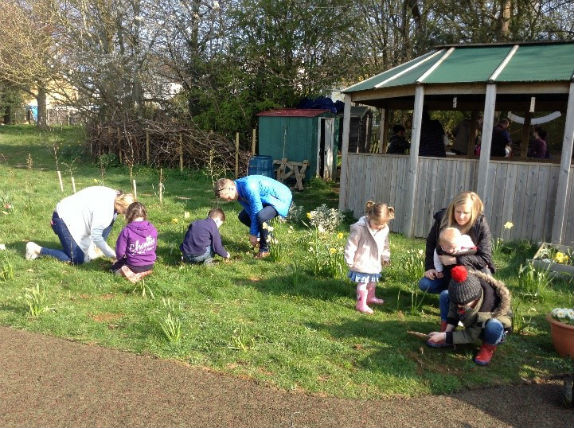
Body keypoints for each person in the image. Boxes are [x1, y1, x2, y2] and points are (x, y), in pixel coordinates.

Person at [418, 191, 495, 331]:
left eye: (465, 213)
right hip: (446, 271)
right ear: (452, 208)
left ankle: (461, 302)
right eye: (457, 211)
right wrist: (430, 267)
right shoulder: (442, 219)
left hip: (472, 273)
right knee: (425, 284)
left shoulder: (480, 224)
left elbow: (484, 258)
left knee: (455, 294)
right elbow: (431, 244)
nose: (460, 216)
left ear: (473, 211)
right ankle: (450, 299)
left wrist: (455, 259)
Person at [426, 265, 512, 366]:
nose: (458, 305)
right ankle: (446, 334)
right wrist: (446, 333)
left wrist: (445, 337)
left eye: (462, 304)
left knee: (493, 325)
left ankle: (488, 348)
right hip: (473, 319)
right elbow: (454, 309)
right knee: (445, 295)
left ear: (475, 298)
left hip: (491, 327)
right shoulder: (461, 290)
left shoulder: (487, 308)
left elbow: (470, 335)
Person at [25, 186, 134, 265]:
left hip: (76, 217)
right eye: (123, 212)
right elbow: (96, 236)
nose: (122, 215)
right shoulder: (105, 211)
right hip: (64, 219)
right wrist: (112, 255)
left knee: (111, 219)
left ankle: (93, 250)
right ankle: (36, 250)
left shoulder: (115, 195)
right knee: (77, 259)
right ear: (120, 205)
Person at [214, 175, 292, 259]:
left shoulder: (248, 187)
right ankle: (269, 239)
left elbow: (256, 211)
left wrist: (253, 234)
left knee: (261, 216)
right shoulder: (237, 191)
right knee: (243, 216)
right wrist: (257, 234)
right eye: (226, 199)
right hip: (265, 199)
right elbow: (250, 211)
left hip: (280, 198)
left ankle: (265, 250)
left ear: (231, 188)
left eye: (228, 197)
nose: (229, 200)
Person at [344, 201, 394, 314]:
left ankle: (370, 297)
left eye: (382, 224)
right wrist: (349, 257)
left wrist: (385, 257)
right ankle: (361, 304)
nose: (379, 227)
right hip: (362, 261)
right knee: (363, 283)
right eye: (376, 224)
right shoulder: (360, 228)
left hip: (374, 262)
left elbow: (385, 244)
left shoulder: (384, 229)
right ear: (369, 216)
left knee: (372, 282)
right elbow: (351, 243)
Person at [110, 202, 157, 282]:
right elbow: (154, 246)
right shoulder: (152, 228)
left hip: (134, 265)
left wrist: (119, 259)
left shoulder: (127, 231)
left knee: (113, 269)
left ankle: (126, 272)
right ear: (144, 215)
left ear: (128, 215)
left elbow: (120, 251)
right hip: (150, 264)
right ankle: (145, 272)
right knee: (129, 262)